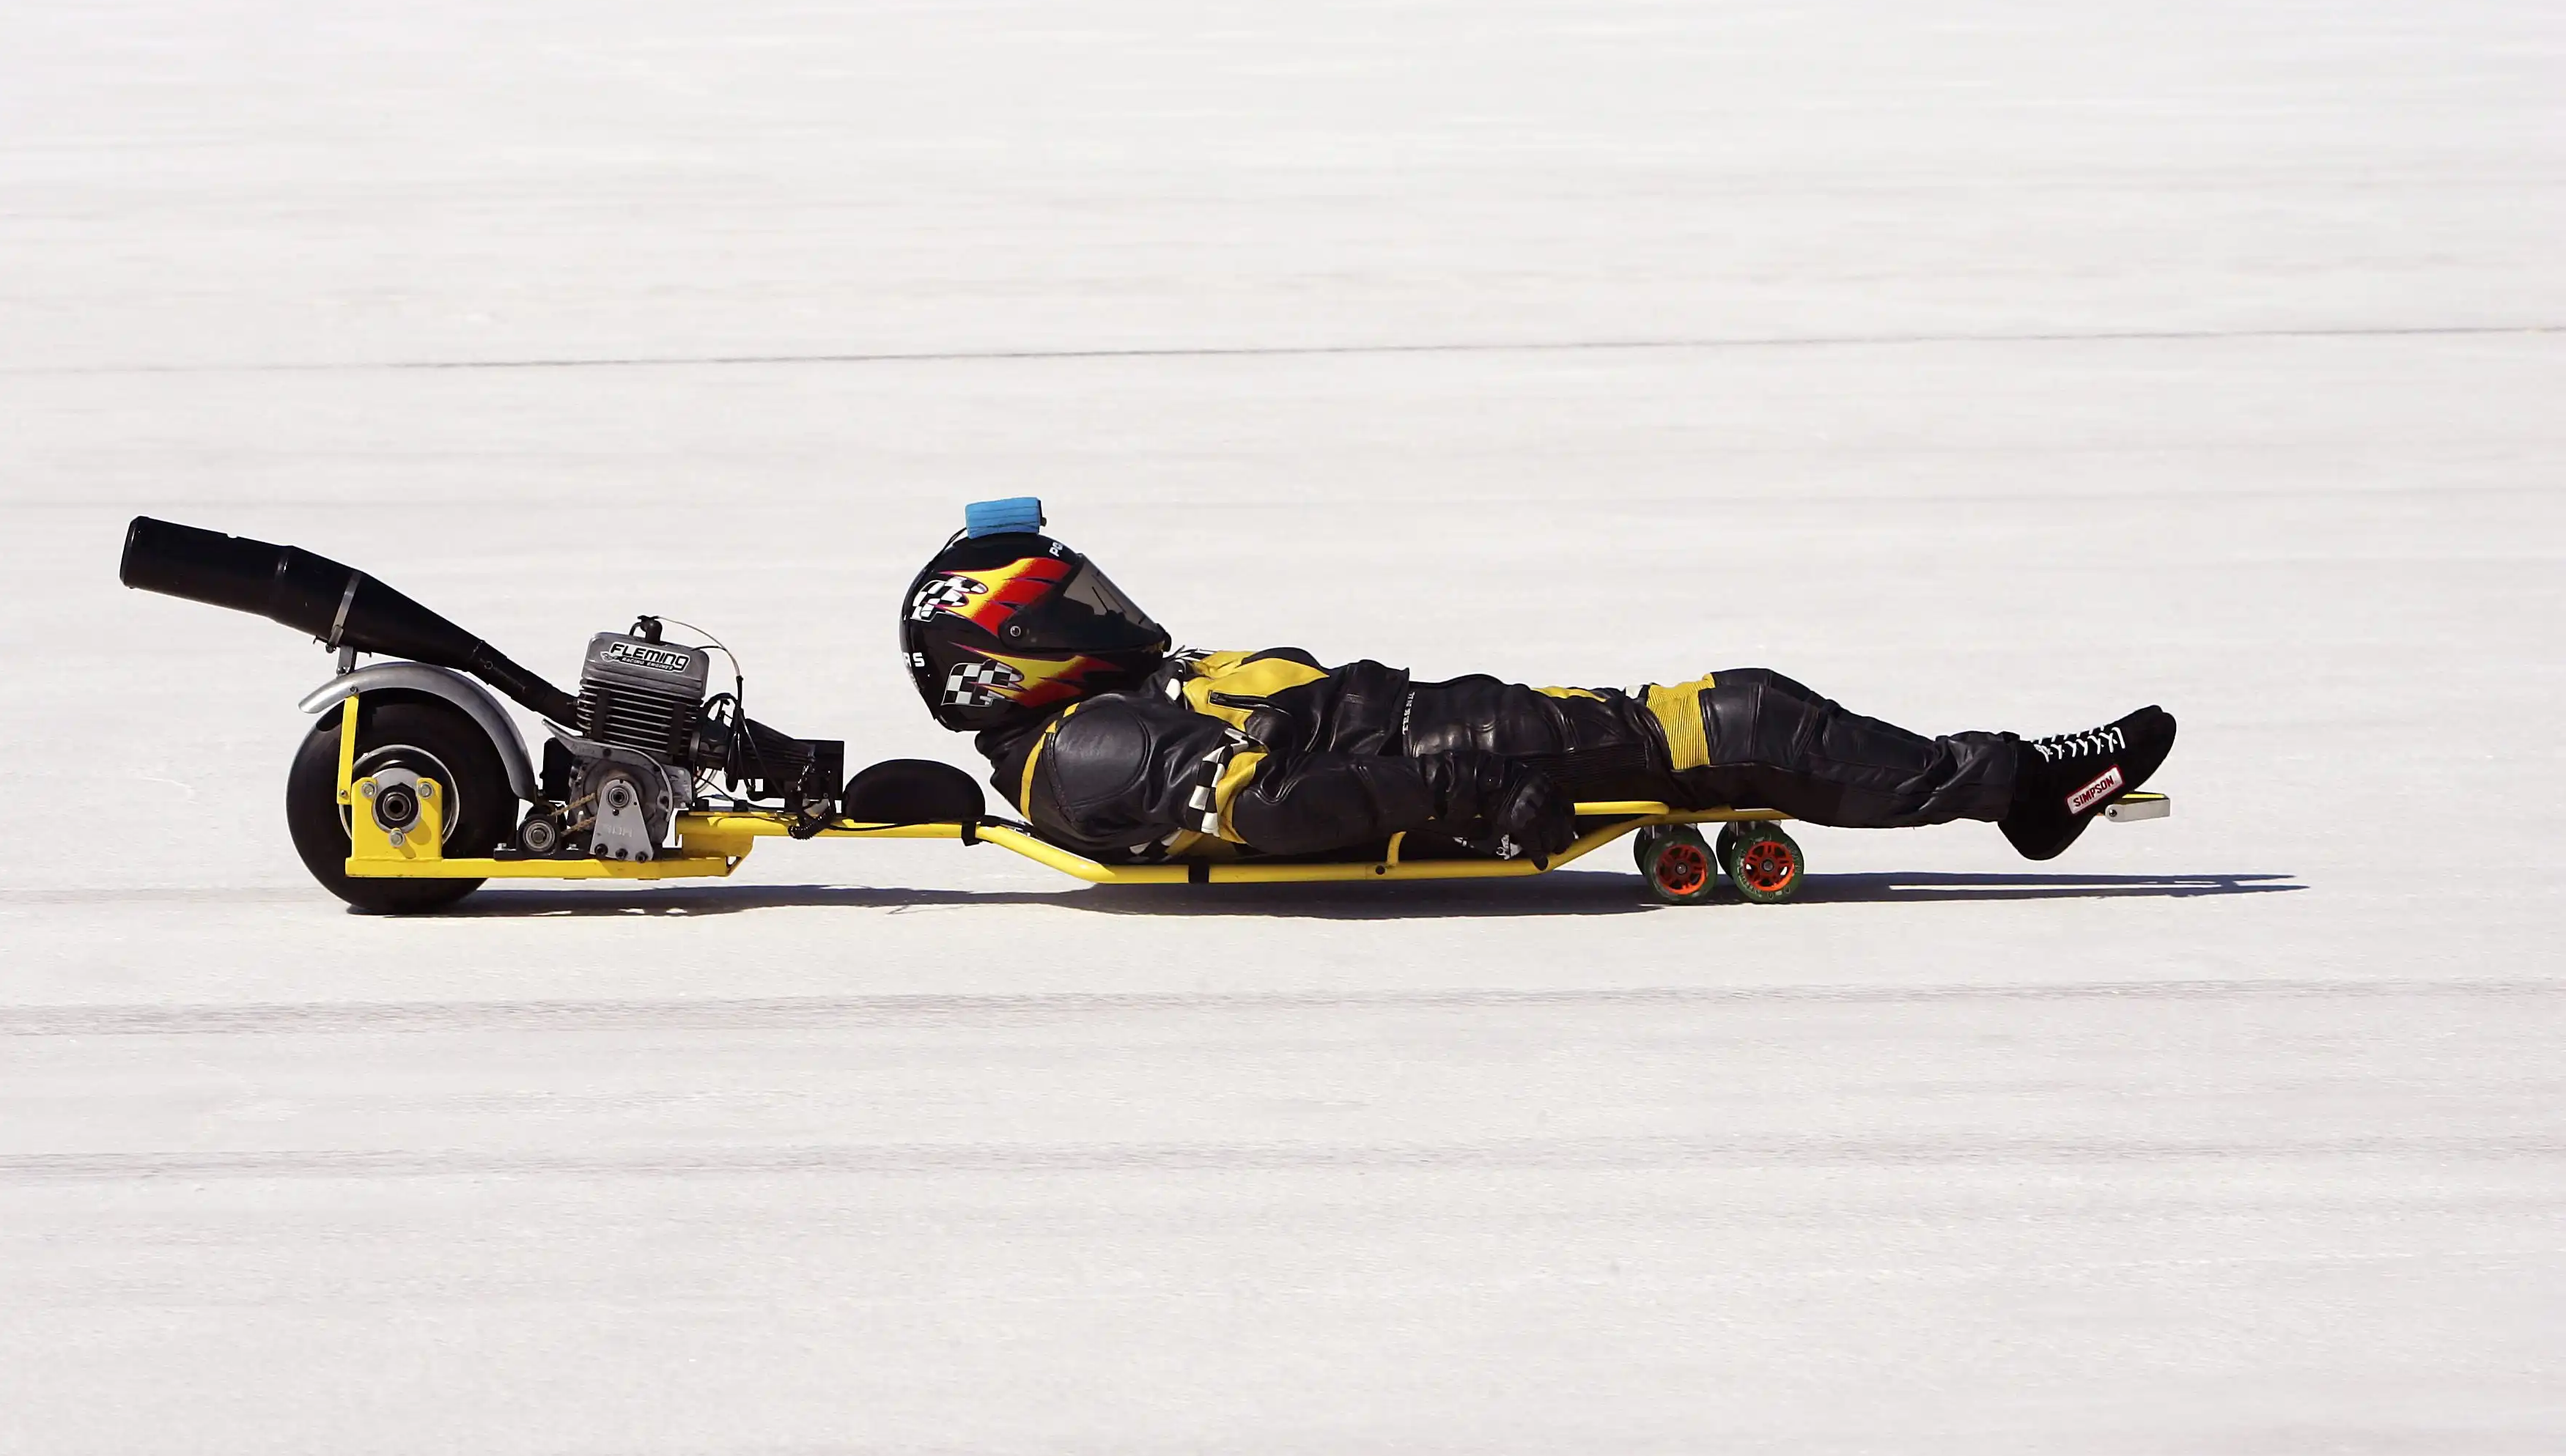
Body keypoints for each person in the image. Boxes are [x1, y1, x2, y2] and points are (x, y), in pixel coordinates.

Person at [900, 500, 2175, 867]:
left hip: (1476, 731)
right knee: (1746, 718)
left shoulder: (1102, 714)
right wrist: (1470, 794)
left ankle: (2006, 780)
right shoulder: (1092, 750)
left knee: (1728, 712)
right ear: (1004, 656)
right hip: (1482, 761)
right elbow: (1275, 809)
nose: (1109, 615)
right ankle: (2023, 789)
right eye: (1074, 610)